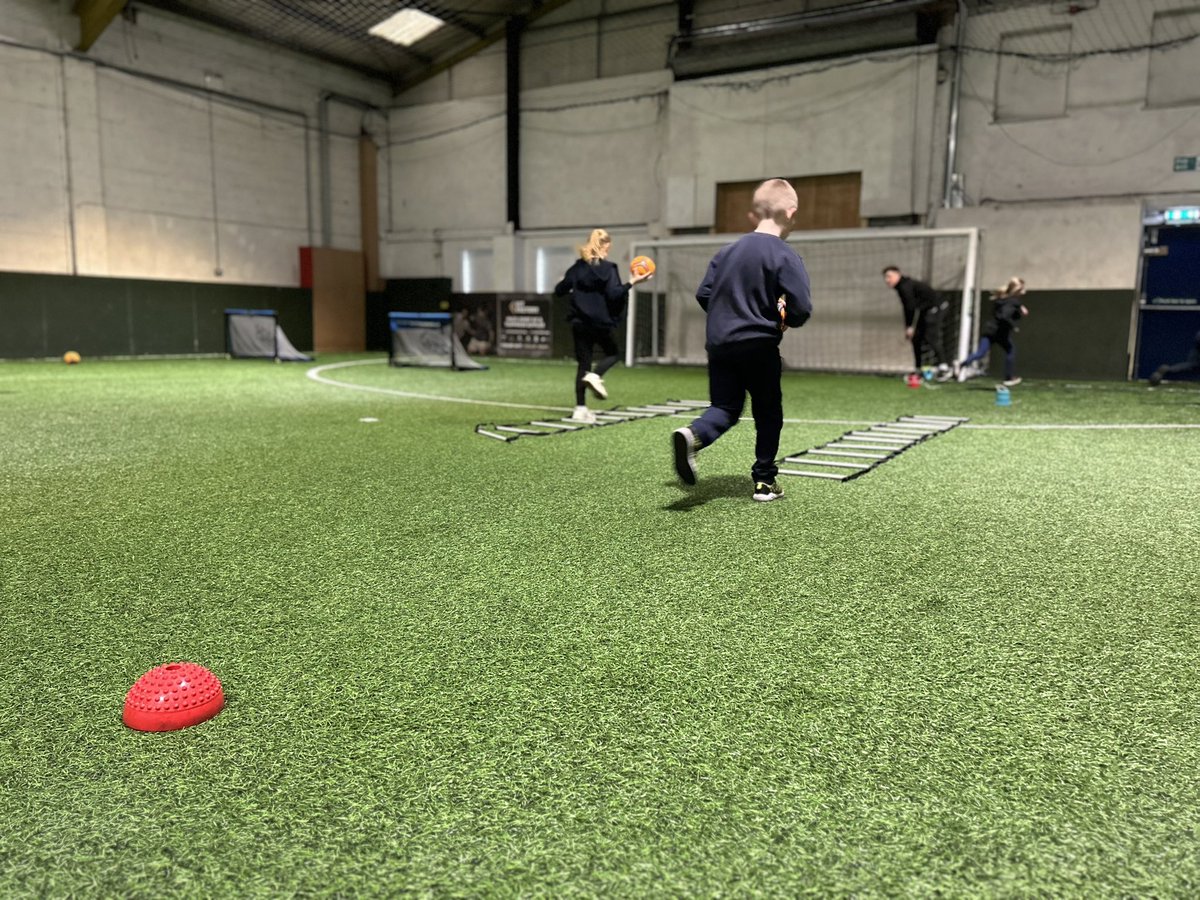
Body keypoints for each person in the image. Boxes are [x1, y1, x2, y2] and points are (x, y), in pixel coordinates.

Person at [671, 178, 813, 502]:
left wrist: (729, 313)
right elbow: (802, 308)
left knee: (724, 407)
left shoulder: (726, 252)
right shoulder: (785, 254)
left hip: (720, 343)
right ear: (790, 212)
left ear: (755, 213)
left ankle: (692, 435)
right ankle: (764, 481)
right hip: (759, 345)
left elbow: (704, 293)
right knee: (768, 411)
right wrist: (784, 319)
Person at [554, 228, 652, 423]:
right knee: (614, 353)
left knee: (583, 364)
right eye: (608, 247)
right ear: (604, 246)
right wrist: (632, 281)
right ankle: (596, 375)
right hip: (599, 322)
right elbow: (614, 294)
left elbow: (559, 291)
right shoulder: (609, 269)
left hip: (579, 323)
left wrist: (565, 283)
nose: (608, 251)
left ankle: (580, 409)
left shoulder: (577, 268)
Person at [956, 277, 1027, 386]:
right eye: (1022, 289)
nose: (1024, 292)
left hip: (990, 330)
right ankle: (1008, 378)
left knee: (980, 353)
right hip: (999, 332)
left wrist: (1020, 309)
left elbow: (1005, 310)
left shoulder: (1002, 299)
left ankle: (961, 364)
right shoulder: (1013, 302)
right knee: (1010, 351)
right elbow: (1004, 316)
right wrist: (1013, 326)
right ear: (1018, 290)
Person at [882, 265, 951, 379]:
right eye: (885, 277)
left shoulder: (905, 286)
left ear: (898, 274)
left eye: (889, 276)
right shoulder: (900, 287)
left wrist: (910, 326)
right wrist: (909, 326)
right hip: (925, 310)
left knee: (930, 336)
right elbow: (908, 308)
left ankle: (944, 368)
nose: (887, 280)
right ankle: (918, 369)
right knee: (916, 337)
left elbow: (910, 307)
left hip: (938, 307)